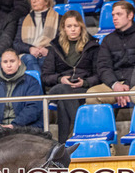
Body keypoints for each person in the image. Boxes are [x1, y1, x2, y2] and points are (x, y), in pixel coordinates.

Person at [41, 10, 99, 143]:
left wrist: (84, 82)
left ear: (81, 27)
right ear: (63, 28)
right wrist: (60, 79)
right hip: (59, 87)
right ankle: (82, 130)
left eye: (76, 26)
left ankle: (63, 144)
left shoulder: (92, 46)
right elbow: (45, 76)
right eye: (69, 26)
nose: (72, 29)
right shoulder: (55, 47)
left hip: (82, 89)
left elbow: (99, 74)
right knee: (64, 90)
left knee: (63, 103)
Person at [85, 1, 135, 107]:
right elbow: (103, 67)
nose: (115, 18)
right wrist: (115, 85)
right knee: (92, 95)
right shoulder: (107, 40)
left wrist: (127, 85)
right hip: (114, 84)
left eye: (119, 14)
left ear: (130, 15)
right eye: (113, 15)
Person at [0, 49, 43, 132]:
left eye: (12, 61)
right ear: (1, 64)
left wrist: (14, 125)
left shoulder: (32, 82)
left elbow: (33, 109)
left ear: (19, 62)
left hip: (26, 128)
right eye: (5, 62)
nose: (9, 65)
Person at [14, 0, 59, 74]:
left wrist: (48, 50)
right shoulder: (23, 20)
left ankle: (38, 82)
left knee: (44, 60)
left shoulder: (58, 19)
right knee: (29, 59)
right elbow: (16, 43)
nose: (34, 1)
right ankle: (41, 82)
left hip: (49, 54)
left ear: (46, 0)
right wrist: (30, 49)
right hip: (28, 55)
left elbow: (62, 42)